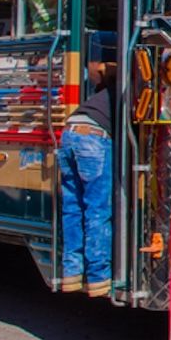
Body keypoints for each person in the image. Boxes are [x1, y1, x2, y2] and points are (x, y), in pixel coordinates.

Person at [58, 39, 117, 296]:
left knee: (72, 207)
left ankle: (71, 273)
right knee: (97, 209)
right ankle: (98, 278)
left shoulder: (102, 94)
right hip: (94, 137)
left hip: (69, 132)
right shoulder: (128, 93)